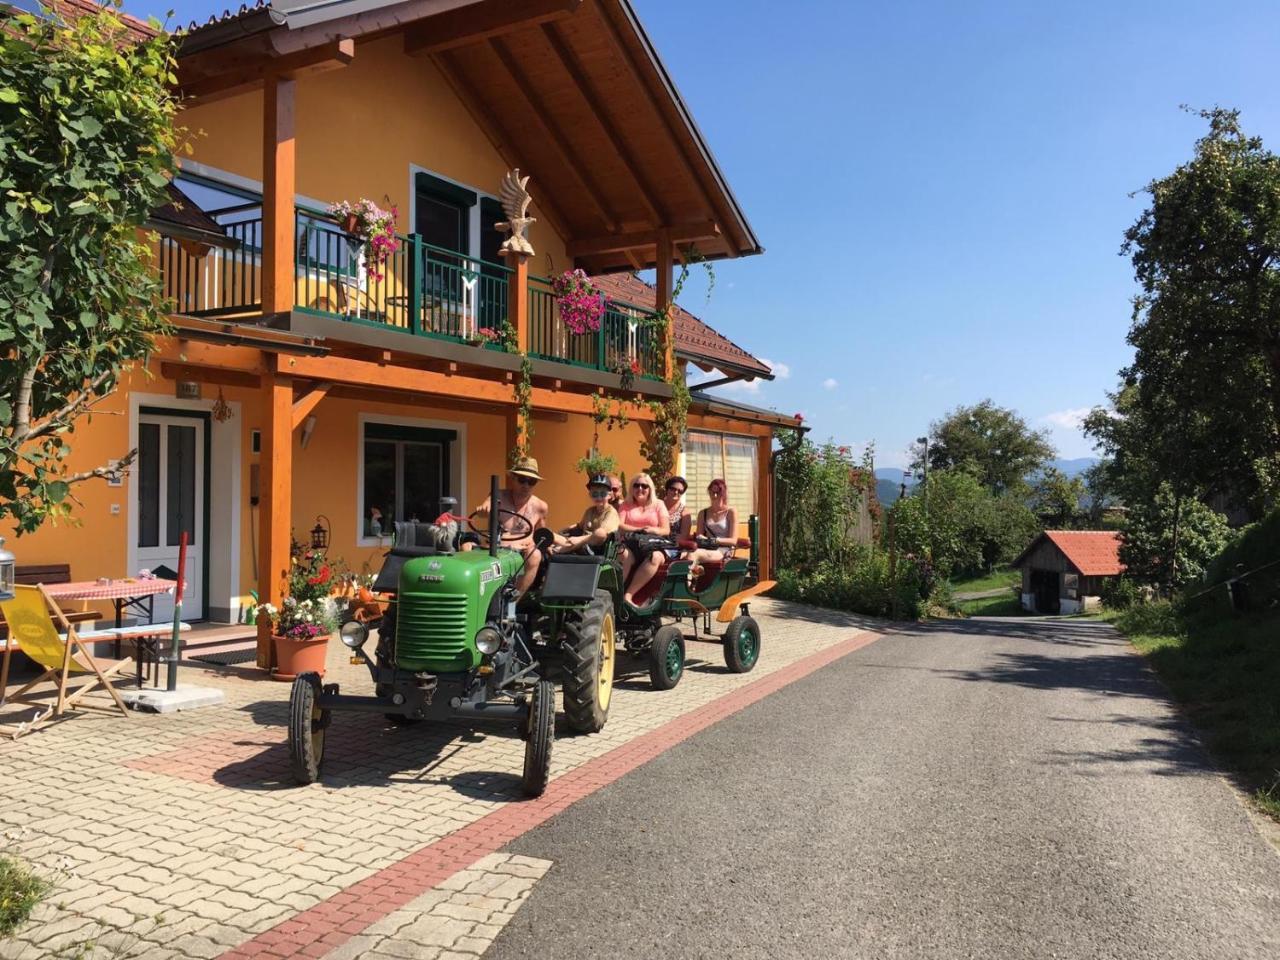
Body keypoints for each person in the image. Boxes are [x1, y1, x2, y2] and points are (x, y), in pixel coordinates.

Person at [467, 456, 548, 596]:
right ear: (513, 478)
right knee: (466, 546)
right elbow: (486, 507)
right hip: (494, 548)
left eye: (532, 481)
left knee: (535, 554)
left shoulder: (541, 506)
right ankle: (473, 598)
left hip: (522, 553)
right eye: (522, 480)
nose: (526, 485)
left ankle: (512, 602)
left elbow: (541, 534)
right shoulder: (498, 495)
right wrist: (483, 510)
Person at [617, 472, 670, 605]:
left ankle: (628, 595)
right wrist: (639, 530)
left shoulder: (659, 504)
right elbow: (619, 525)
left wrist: (653, 530)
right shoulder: (625, 504)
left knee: (656, 557)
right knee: (623, 554)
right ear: (631, 488)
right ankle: (616, 594)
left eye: (644, 486)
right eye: (636, 485)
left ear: (650, 489)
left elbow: (666, 530)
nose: (640, 489)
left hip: (651, 545)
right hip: (631, 544)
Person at [555, 474, 620, 553]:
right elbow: (580, 526)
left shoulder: (611, 512)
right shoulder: (590, 511)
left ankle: (563, 549)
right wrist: (564, 530)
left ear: (609, 495)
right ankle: (555, 547)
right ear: (590, 495)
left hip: (598, 549)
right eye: (595, 494)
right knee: (551, 535)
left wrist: (580, 540)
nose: (599, 498)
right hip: (580, 545)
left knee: (600, 533)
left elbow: (602, 534)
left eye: (603, 494)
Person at [684, 478, 738, 572]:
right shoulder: (703, 513)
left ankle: (688, 583)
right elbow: (699, 537)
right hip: (706, 547)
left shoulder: (731, 512)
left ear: (724, 493)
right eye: (712, 492)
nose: (715, 495)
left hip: (723, 550)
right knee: (682, 554)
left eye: (718, 492)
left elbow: (733, 541)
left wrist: (714, 540)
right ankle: (692, 578)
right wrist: (700, 538)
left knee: (694, 554)